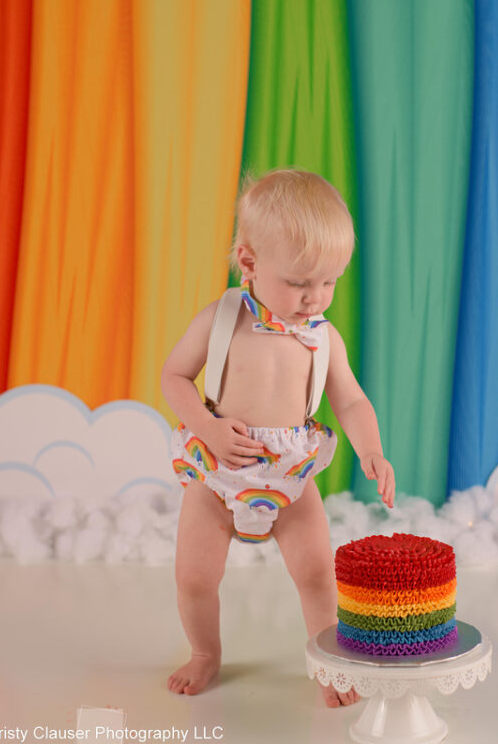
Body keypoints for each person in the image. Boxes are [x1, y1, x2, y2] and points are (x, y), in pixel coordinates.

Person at [160, 169, 395, 707]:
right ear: (249, 262)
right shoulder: (221, 319)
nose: (315, 298)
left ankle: (329, 664)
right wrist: (209, 428)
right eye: (299, 283)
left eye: (329, 282)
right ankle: (204, 654)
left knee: (316, 575)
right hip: (217, 477)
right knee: (194, 577)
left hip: (289, 479)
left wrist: (372, 450)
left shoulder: (322, 338)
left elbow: (352, 402)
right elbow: (174, 377)